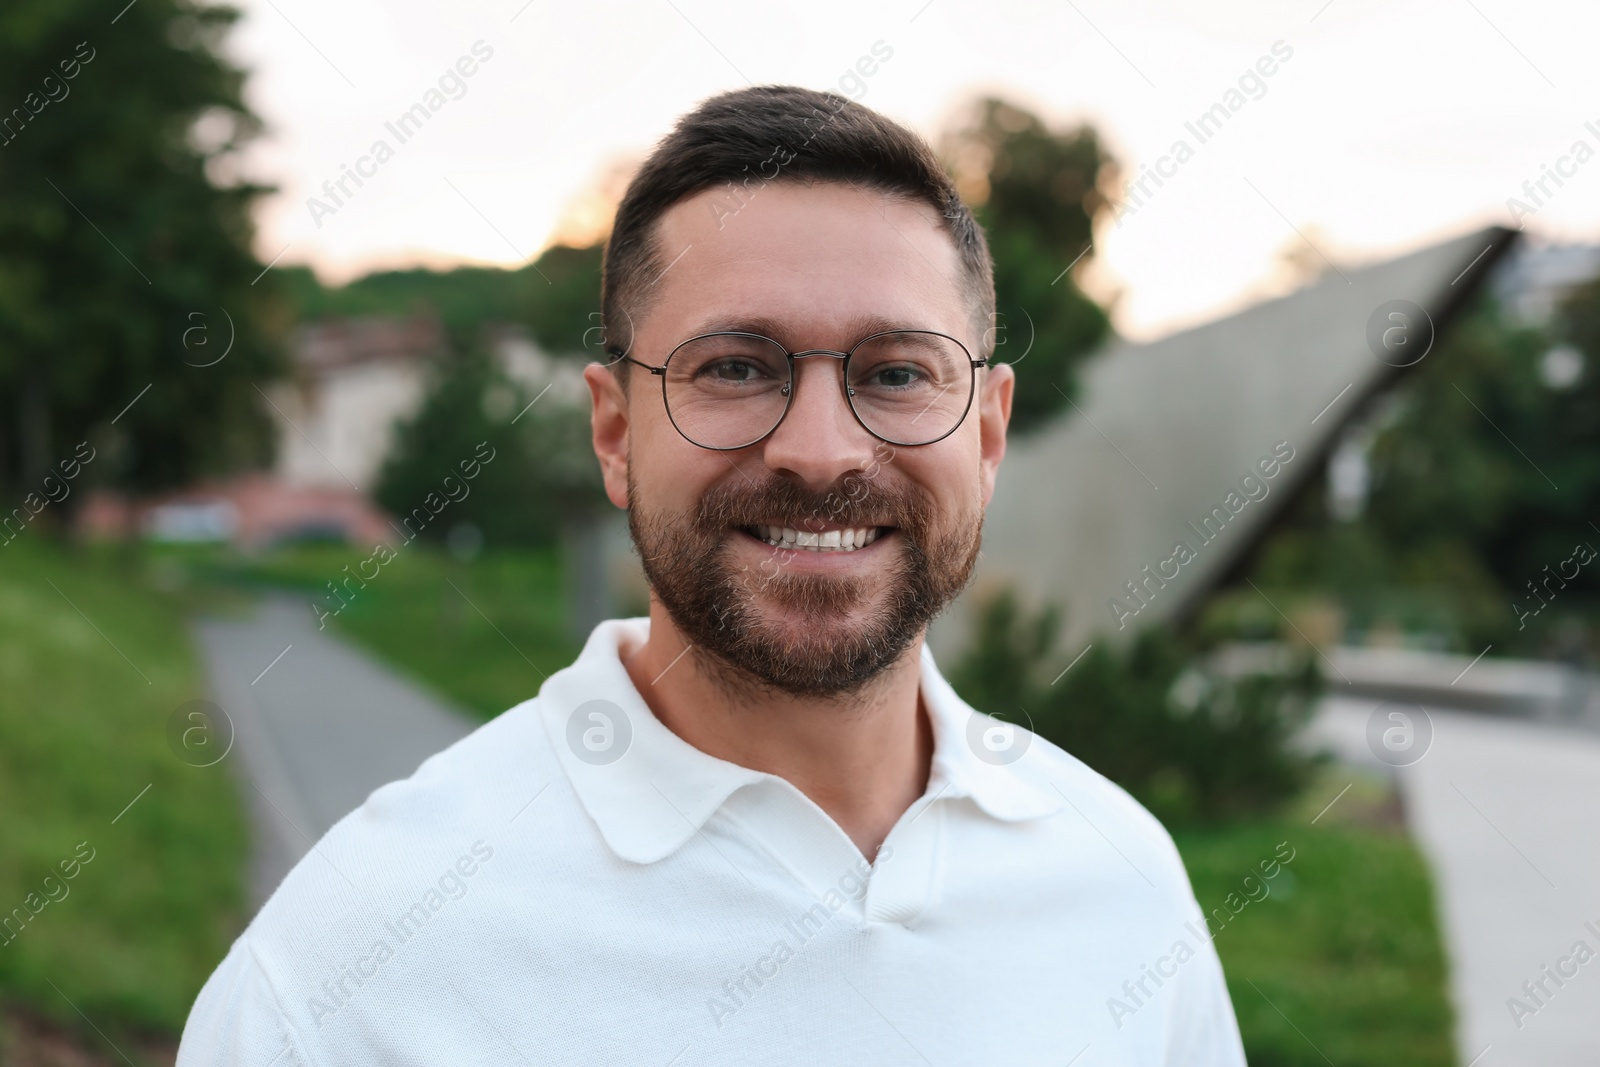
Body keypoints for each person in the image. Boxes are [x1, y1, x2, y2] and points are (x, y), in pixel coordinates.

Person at [177, 84, 1246, 1066]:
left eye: (897, 373)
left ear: (988, 431)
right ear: (614, 430)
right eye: (736, 366)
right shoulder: (349, 963)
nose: (820, 450)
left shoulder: (1122, 883)